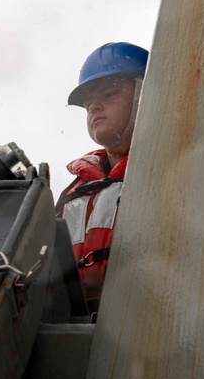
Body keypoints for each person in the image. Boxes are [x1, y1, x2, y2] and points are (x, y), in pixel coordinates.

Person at [56, 42, 147, 315]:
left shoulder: (172, 172)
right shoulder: (74, 191)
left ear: (147, 94)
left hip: (147, 328)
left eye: (109, 93)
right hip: (75, 332)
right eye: (88, 105)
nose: (94, 106)